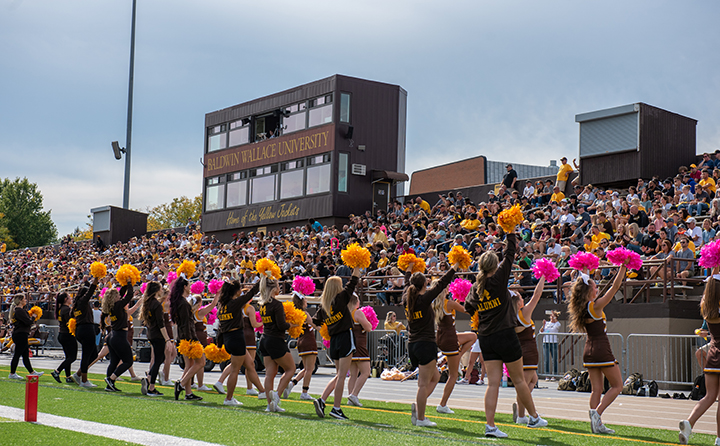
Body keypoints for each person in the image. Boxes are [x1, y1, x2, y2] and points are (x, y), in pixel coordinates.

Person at [465, 230, 547, 438]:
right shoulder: (499, 279)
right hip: (504, 335)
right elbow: (511, 254)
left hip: (486, 338)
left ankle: (490, 426)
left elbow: (468, 307)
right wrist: (510, 233)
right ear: (495, 266)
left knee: (493, 383)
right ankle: (534, 417)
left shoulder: (476, 287)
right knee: (519, 380)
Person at [567, 262, 628, 434]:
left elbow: (584, 281)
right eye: (595, 287)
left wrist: (585, 271)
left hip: (589, 350)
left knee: (597, 390)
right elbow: (615, 287)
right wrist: (623, 266)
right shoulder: (595, 306)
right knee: (617, 385)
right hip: (601, 349)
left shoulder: (582, 307)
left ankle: (596, 424)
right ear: (588, 292)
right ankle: (597, 414)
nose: (597, 289)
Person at [403, 260, 458, 427]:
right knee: (423, 384)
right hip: (425, 344)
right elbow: (441, 284)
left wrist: (409, 269)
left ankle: (419, 408)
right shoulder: (423, 299)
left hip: (413, 344)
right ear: (423, 285)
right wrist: (454, 267)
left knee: (435, 376)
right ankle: (420, 419)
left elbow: (407, 282)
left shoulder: (407, 297)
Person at [313, 266, 362, 420]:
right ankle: (336, 408)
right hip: (345, 337)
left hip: (333, 340)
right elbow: (354, 281)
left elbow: (314, 321)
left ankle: (322, 400)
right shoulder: (340, 299)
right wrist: (358, 266)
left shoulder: (324, 306)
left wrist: (324, 329)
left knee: (338, 374)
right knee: (342, 376)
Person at [680, 268, 720, 445]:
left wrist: (714, 270)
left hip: (712, 355)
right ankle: (719, 438)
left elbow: (708, 293)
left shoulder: (706, 308)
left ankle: (689, 423)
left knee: (709, 396)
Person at [432, 279, 476, 413]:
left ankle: (457, 355)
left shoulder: (436, 304)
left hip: (442, 338)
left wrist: (458, 298)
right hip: (450, 339)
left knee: (473, 337)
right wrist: (467, 298)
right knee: (453, 375)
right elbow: (467, 311)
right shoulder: (449, 303)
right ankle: (442, 404)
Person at [216, 279, 260, 406]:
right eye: (239, 288)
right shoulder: (233, 304)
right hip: (237, 338)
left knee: (250, 365)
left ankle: (262, 391)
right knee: (235, 370)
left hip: (228, 338)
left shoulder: (222, 306)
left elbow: (220, 327)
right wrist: (261, 280)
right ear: (235, 291)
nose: (241, 291)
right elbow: (250, 294)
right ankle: (229, 398)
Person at [259, 273, 296, 412]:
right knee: (290, 369)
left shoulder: (262, 304)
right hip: (275, 340)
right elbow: (281, 325)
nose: (279, 287)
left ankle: (271, 405)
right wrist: (291, 325)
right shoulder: (276, 304)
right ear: (273, 288)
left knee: (270, 373)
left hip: (265, 339)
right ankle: (276, 397)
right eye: (278, 285)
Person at [512, 278, 545, 425]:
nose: (523, 298)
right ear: (517, 302)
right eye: (520, 297)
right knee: (524, 385)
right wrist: (543, 276)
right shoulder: (523, 313)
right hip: (529, 351)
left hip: (519, 351)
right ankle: (523, 416)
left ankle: (521, 410)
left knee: (533, 380)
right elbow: (536, 295)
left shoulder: (509, 316)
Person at [170, 276, 204, 401]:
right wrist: (191, 340)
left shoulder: (180, 301)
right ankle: (181, 384)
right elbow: (186, 324)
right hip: (188, 338)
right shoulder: (184, 303)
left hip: (183, 337)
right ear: (184, 287)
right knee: (201, 362)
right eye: (189, 286)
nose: (190, 288)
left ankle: (188, 393)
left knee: (189, 365)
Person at [102, 284, 140, 392]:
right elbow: (129, 296)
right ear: (114, 297)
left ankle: (109, 385)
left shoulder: (112, 305)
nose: (120, 295)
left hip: (113, 335)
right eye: (118, 294)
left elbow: (123, 294)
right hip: (119, 336)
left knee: (114, 361)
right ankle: (111, 379)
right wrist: (129, 284)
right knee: (128, 361)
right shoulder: (118, 305)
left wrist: (124, 284)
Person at [139, 282, 172, 396]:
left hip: (151, 333)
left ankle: (149, 379)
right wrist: (167, 339)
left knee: (158, 359)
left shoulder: (148, 303)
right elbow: (161, 323)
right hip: (158, 335)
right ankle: (151, 385)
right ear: (156, 290)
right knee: (159, 359)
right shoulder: (156, 304)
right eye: (160, 288)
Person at [288, 293, 318, 400]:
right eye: (305, 300)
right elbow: (313, 324)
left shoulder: (295, 314)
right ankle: (304, 392)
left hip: (300, 341)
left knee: (306, 368)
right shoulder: (304, 313)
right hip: (309, 340)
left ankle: (292, 383)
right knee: (310, 369)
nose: (306, 302)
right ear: (302, 302)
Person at [71, 277, 100, 387]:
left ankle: (78, 374)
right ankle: (84, 381)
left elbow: (71, 316)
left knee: (94, 355)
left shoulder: (76, 304)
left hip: (80, 329)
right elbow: (91, 290)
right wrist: (96, 280)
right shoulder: (83, 302)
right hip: (87, 329)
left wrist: (85, 281)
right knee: (86, 355)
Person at [7, 294, 42, 379]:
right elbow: (28, 322)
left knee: (25, 354)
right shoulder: (19, 311)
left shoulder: (20, 310)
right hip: (20, 334)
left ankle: (32, 372)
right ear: (20, 301)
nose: (26, 300)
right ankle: (12, 373)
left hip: (21, 334)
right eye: (24, 299)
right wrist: (33, 317)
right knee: (17, 354)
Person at [52, 292, 77, 383]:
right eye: (69, 297)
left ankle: (68, 376)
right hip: (67, 335)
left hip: (62, 334)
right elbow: (70, 322)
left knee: (68, 357)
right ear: (65, 300)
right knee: (72, 357)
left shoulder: (61, 309)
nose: (71, 299)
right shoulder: (66, 309)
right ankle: (57, 371)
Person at [541, 311, 561, 380]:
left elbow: (556, 328)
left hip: (554, 342)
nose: (551, 318)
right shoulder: (547, 323)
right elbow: (541, 331)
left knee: (554, 359)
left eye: (553, 316)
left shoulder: (557, 323)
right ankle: (547, 375)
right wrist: (543, 325)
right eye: (551, 316)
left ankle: (554, 375)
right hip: (546, 342)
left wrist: (555, 319)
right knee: (546, 360)